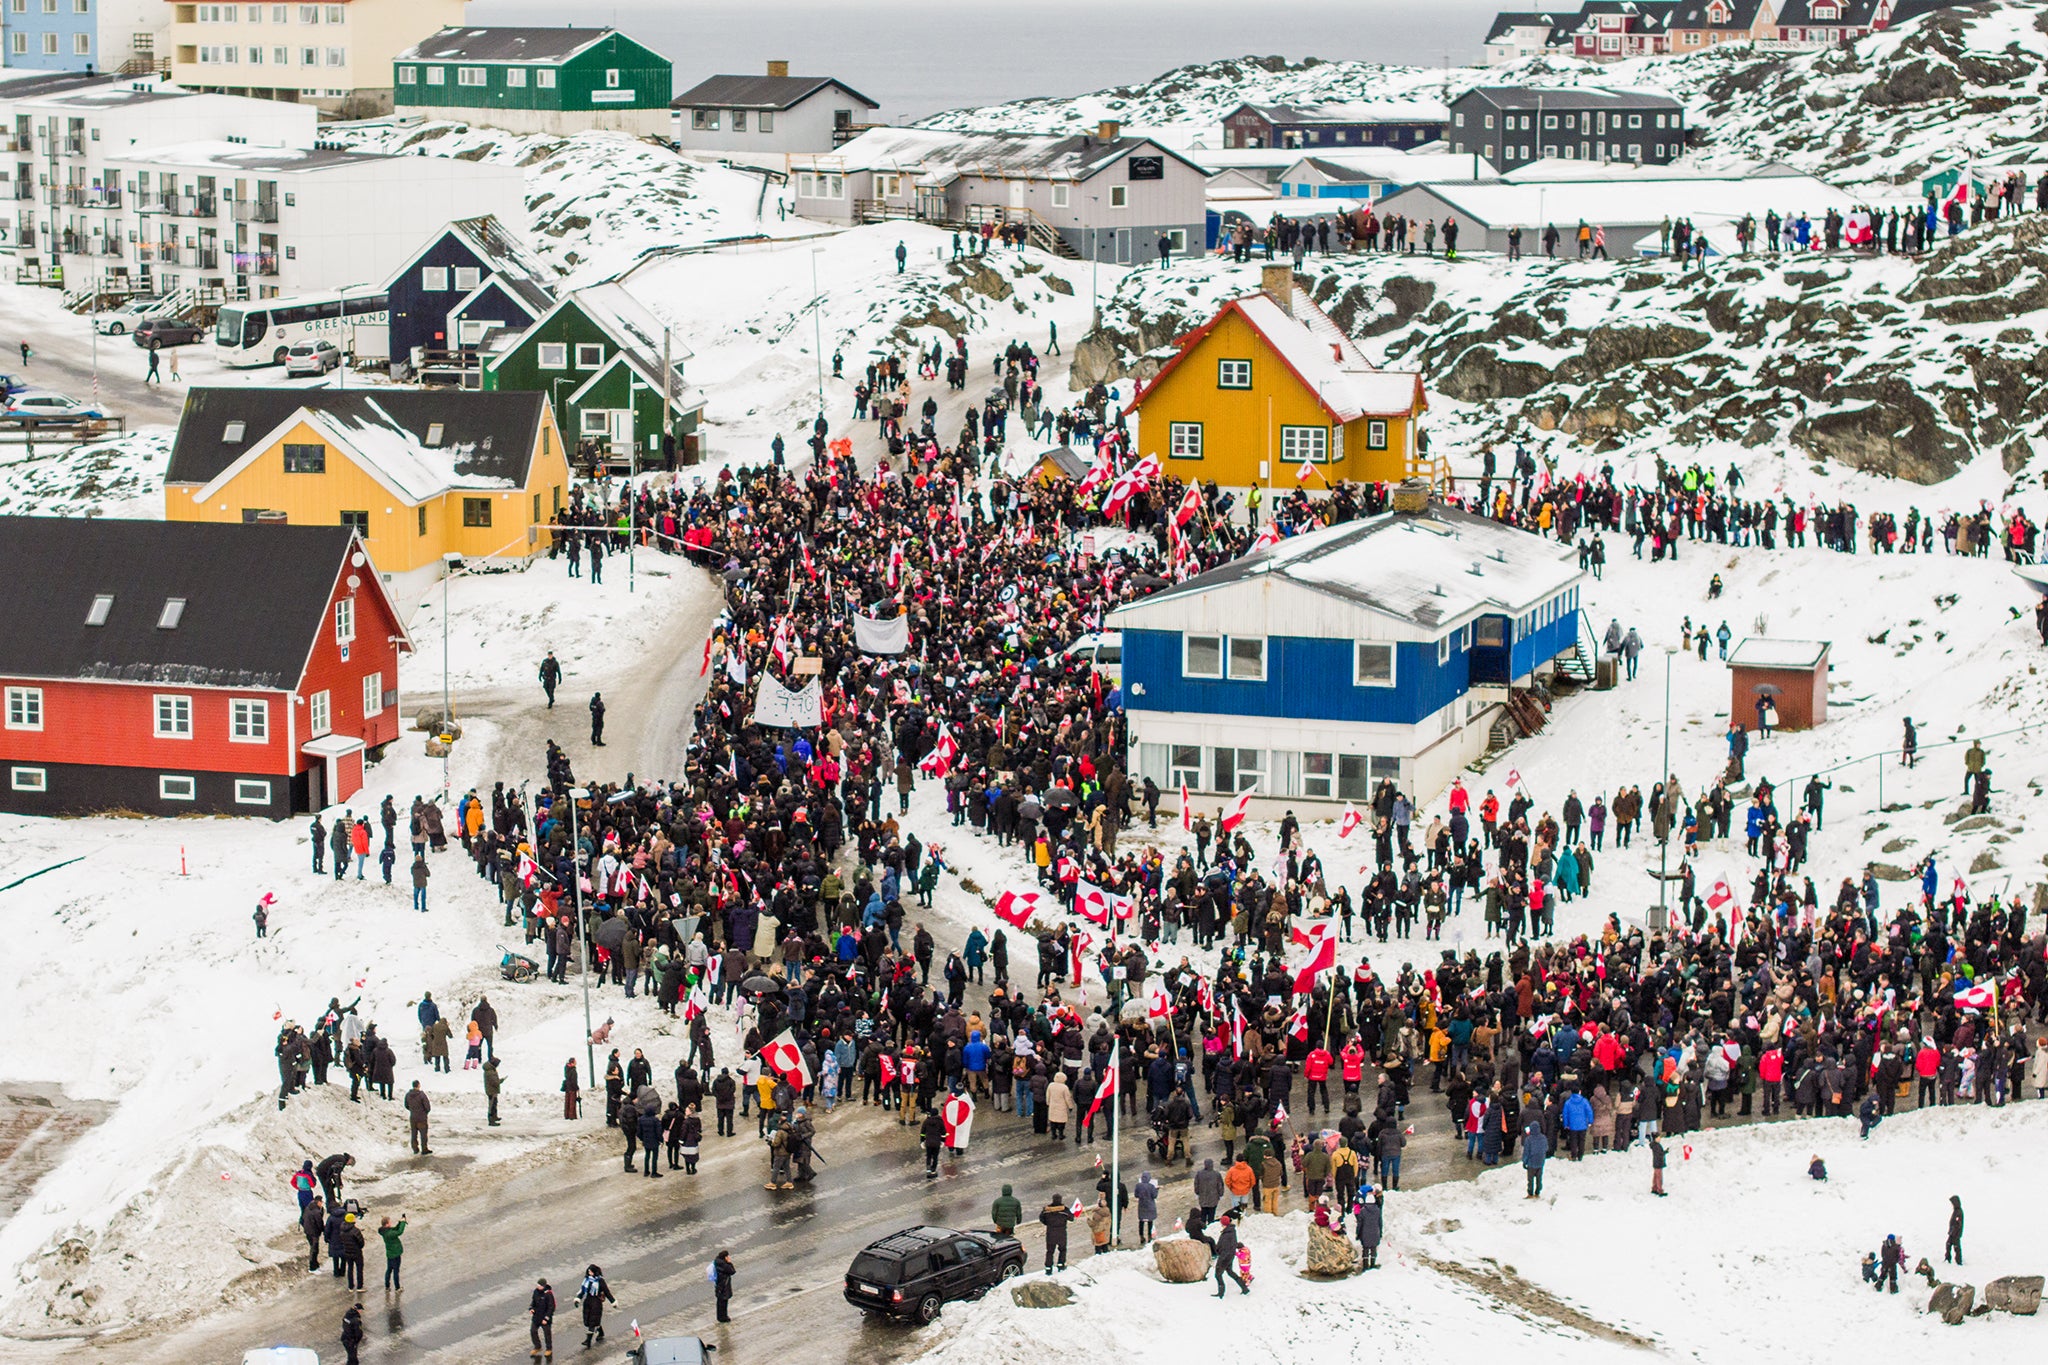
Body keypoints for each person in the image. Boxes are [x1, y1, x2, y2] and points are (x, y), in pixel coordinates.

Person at [578, 1265, 616, 1348]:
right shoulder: (586, 1280)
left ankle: (588, 1341)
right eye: (588, 1271)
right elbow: (582, 1291)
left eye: (591, 1271)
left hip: (596, 1303)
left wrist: (613, 1302)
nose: (589, 1273)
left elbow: (607, 1292)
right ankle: (601, 1332)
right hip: (588, 1302)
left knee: (592, 1321)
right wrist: (578, 1298)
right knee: (589, 1321)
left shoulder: (600, 1281)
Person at [1212, 1213, 1248, 1296]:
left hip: (1225, 1257)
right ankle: (1244, 1288)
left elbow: (1224, 1247)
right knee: (1230, 1272)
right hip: (1230, 1256)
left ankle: (1221, 1293)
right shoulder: (1231, 1231)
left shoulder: (1226, 1234)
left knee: (1218, 1275)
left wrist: (1220, 1256)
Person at [1040, 1193, 1072, 1273]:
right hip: (1061, 1234)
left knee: (1050, 1251)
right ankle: (1061, 1265)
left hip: (1050, 1234)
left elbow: (1042, 1218)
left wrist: (1048, 1224)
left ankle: (1048, 1268)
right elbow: (1071, 1218)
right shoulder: (1064, 1210)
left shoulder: (1047, 1210)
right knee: (1062, 1250)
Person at [377, 1214, 406, 1291]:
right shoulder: (389, 1234)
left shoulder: (385, 1231)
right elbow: (399, 1232)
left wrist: (400, 1222)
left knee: (389, 1270)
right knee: (396, 1271)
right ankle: (397, 1287)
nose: (391, 1223)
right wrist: (403, 1223)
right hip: (395, 1254)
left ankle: (387, 1286)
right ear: (386, 1224)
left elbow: (395, 1229)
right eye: (389, 1222)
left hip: (390, 1254)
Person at [337, 1211, 366, 1290]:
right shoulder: (355, 1231)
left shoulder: (342, 1230)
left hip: (347, 1252)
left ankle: (350, 1286)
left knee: (350, 1269)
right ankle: (359, 1286)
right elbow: (361, 1243)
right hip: (357, 1253)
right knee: (359, 1269)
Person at [530, 1276, 557, 1357]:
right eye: (537, 1285)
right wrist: (531, 1308)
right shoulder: (536, 1292)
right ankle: (537, 1346)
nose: (538, 1286)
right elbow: (533, 1302)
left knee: (547, 1334)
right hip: (536, 1316)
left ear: (544, 1286)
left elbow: (551, 1307)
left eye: (539, 1285)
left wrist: (546, 1318)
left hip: (545, 1318)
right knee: (533, 1331)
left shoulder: (548, 1294)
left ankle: (549, 1349)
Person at [1521, 1122, 1548, 1198]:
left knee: (1530, 1179)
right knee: (1539, 1178)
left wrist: (1524, 1161)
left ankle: (1530, 1193)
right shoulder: (1543, 1138)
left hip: (1531, 1163)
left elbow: (1526, 1152)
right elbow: (1546, 1148)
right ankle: (1538, 1191)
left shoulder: (1529, 1139)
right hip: (1540, 1162)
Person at [405, 1080, 431, 1154]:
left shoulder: (408, 1094)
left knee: (414, 1133)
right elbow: (427, 1107)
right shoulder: (421, 1095)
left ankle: (415, 1148)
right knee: (423, 1134)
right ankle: (424, 1149)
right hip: (421, 1117)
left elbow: (406, 1105)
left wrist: (412, 1110)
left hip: (413, 1117)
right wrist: (424, 1112)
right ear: (418, 1085)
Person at [711, 1249, 736, 1323]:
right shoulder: (724, 1265)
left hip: (719, 1285)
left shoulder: (716, 1262)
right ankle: (724, 1318)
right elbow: (732, 1271)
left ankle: (720, 1317)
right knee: (724, 1302)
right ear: (725, 1257)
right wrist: (729, 1263)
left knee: (719, 1302)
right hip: (724, 1286)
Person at [1944, 1195, 1964, 1265]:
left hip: (1955, 1234)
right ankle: (1947, 1258)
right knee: (1948, 1245)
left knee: (1956, 1247)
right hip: (1952, 1233)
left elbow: (1957, 1224)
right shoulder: (1956, 1211)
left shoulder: (1958, 1212)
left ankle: (1959, 1261)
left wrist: (1953, 1232)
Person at [484, 1055, 503, 1126]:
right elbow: (495, 1082)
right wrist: (501, 1081)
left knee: (494, 1104)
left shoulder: (490, 1070)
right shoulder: (490, 1072)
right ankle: (491, 1120)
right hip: (492, 1091)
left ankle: (494, 1116)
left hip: (492, 1090)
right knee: (492, 1105)